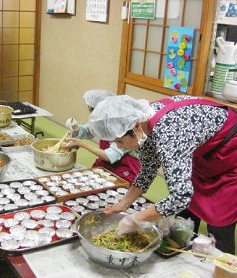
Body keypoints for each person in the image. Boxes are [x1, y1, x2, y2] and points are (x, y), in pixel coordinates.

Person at [88, 94, 237, 254]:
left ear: (135, 128)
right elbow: (147, 170)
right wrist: (123, 204)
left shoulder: (169, 132)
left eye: (119, 141)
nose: (120, 147)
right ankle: (184, 248)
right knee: (187, 212)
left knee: (219, 224)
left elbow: (181, 195)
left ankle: (225, 266)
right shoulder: (141, 121)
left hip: (230, 160)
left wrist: (137, 218)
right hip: (204, 159)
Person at [64, 89, 140, 183]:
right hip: (104, 164)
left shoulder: (122, 126)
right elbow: (89, 130)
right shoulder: (102, 121)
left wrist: (83, 145)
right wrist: (76, 128)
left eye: (92, 110)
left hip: (124, 168)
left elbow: (110, 155)